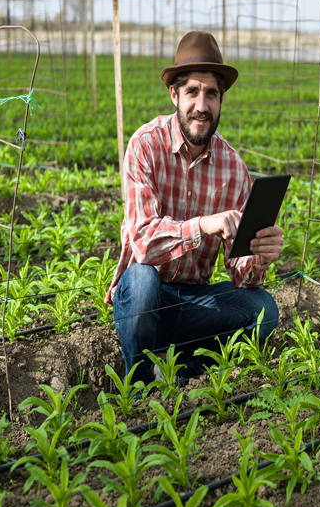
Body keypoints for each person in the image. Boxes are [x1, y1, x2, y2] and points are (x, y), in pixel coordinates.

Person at [105, 31, 283, 386]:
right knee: (142, 281)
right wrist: (203, 225)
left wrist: (260, 254)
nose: (202, 105)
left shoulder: (234, 169)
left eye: (212, 94)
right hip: (144, 296)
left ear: (221, 100)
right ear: (174, 94)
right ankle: (138, 384)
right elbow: (142, 243)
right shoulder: (145, 145)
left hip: (193, 301)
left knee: (263, 310)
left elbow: (240, 275)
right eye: (192, 92)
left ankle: (177, 370)